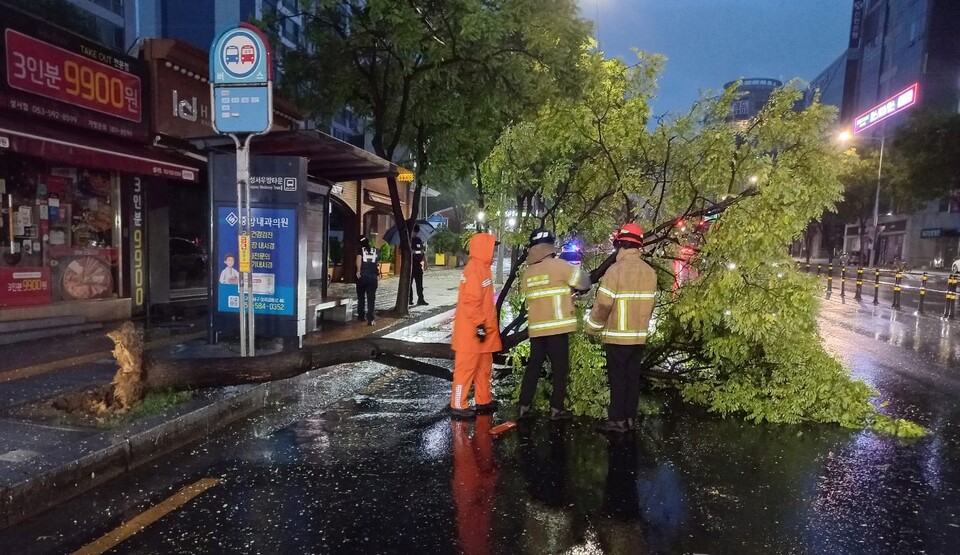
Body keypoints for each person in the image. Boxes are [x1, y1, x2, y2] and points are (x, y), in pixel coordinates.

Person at [586, 223, 658, 433]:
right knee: (632, 378)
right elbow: (650, 306)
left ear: (620, 244)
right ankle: (629, 419)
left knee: (618, 378)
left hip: (617, 337)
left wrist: (592, 328)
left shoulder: (615, 271)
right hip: (638, 338)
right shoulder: (650, 272)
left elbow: (603, 305)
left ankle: (617, 421)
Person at [517, 229, 591, 421]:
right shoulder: (560, 266)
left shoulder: (528, 273)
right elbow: (584, 282)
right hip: (557, 328)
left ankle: (524, 406)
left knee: (533, 366)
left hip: (537, 329)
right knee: (560, 369)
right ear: (550, 246)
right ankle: (556, 409)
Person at [450, 233, 502, 418]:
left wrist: (483, 326)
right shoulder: (475, 269)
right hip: (472, 331)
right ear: (483, 248)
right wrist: (480, 324)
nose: (493, 251)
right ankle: (458, 405)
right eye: (492, 247)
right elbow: (471, 301)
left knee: (483, 368)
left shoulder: (481, 268)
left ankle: (483, 400)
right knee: (465, 370)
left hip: (480, 331)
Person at [355, 236, 379, 325]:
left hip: (363, 277)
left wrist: (358, 270)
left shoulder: (360, 250)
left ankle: (361, 315)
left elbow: (358, 259)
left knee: (361, 297)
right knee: (371, 298)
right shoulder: (375, 250)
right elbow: (377, 263)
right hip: (373, 277)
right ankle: (371, 318)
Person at [410, 224, 429, 306]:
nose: (415, 234)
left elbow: (422, 251)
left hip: (418, 265)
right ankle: (409, 299)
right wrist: (411, 252)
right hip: (410, 265)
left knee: (419, 284)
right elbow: (402, 252)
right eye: (414, 232)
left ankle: (421, 299)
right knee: (409, 284)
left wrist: (425, 262)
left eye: (416, 232)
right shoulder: (408, 240)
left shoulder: (418, 240)